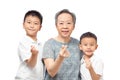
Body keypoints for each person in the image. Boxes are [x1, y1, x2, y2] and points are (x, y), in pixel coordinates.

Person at [42, 9, 82, 80]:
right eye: (61, 23)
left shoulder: (79, 44)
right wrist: (60, 57)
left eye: (68, 23)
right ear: (56, 25)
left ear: (74, 26)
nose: (65, 26)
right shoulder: (49, 44)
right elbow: (51, 72)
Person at [15, 10, 44, 80]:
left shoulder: (40, 44)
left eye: (36, 23)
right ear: (23, 25)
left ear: (40, 27)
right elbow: (31, 64)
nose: (32, 26)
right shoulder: (24, 42)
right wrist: (34, 54)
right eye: (29, 22)